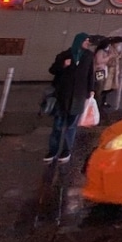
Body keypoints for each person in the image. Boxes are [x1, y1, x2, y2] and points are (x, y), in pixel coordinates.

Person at [46, 33, 96, 164]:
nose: (87, 43)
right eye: (85, 40)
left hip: (78, 96)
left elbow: (91, 74)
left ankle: (66, 151)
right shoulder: (64, 55)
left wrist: (91, 89)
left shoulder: (89, 56)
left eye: (88, 41)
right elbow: (52, 70)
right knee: (57, 125)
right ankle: (53, 151)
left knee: (72, 126)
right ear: (78, 41)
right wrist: (63, 65)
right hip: (62, 95)